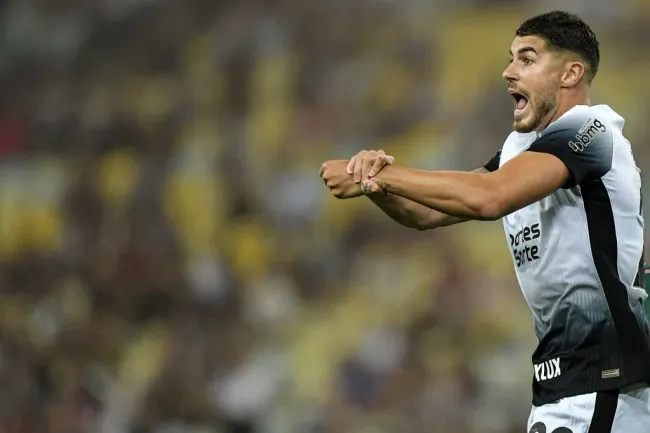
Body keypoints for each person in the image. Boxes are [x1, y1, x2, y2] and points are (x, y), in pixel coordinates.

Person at [319, 11, 650, 433]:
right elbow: (427, 213)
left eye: (526, 60)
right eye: (511, 59)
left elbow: (489, 198)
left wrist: (383, 172)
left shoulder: (591, 129)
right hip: (563, 387)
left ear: (571, 73)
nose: (508, 72)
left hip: (605, 383)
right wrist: (374, 184)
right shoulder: (521, 149)